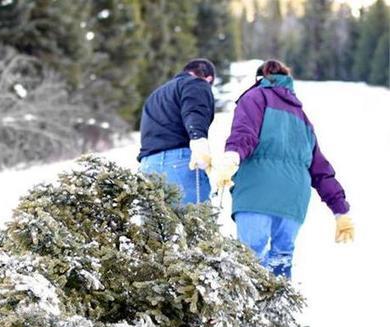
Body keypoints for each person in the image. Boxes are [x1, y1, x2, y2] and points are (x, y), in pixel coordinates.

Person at [216, 59, 354, 278]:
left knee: (248, 262)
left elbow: (245, 134)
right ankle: (275, 311)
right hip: (293, 200)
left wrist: (231, 158)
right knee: (280, 262)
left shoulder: (254, 97)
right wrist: (340, 210)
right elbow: (321, 169)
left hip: (257, 192)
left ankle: (248, 311)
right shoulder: (303, 117)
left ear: (260, 78)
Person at [138, 58, 216, 205]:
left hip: (148, 165)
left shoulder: (155, 95)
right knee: (196, 224)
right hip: (179, 163)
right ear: (208, 78)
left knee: (155, 226)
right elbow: (195, 111)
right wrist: (199, 140)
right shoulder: (197, 83)